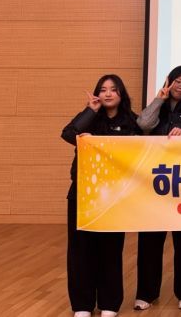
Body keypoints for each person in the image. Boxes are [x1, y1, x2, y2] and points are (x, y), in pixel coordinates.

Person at [61, 74, 142, 317]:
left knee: (111, 249)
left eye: (113, 89)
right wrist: (90, 110)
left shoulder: (132, 121)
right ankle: (82, 305)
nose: (108, 93)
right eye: (103, 89)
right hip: (83, 194)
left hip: (115, 196)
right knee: (80, 251)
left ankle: (109, 303)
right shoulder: (89, 119)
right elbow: (68, 133)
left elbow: (142, 148)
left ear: (121, 94)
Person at [133, 66, 181, 311]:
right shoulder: (159, 106)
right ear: (169, 82)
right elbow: (143, 124)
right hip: (154, 181)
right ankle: (146, 293)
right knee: (149, 240)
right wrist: (158, 99)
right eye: (178, 82)